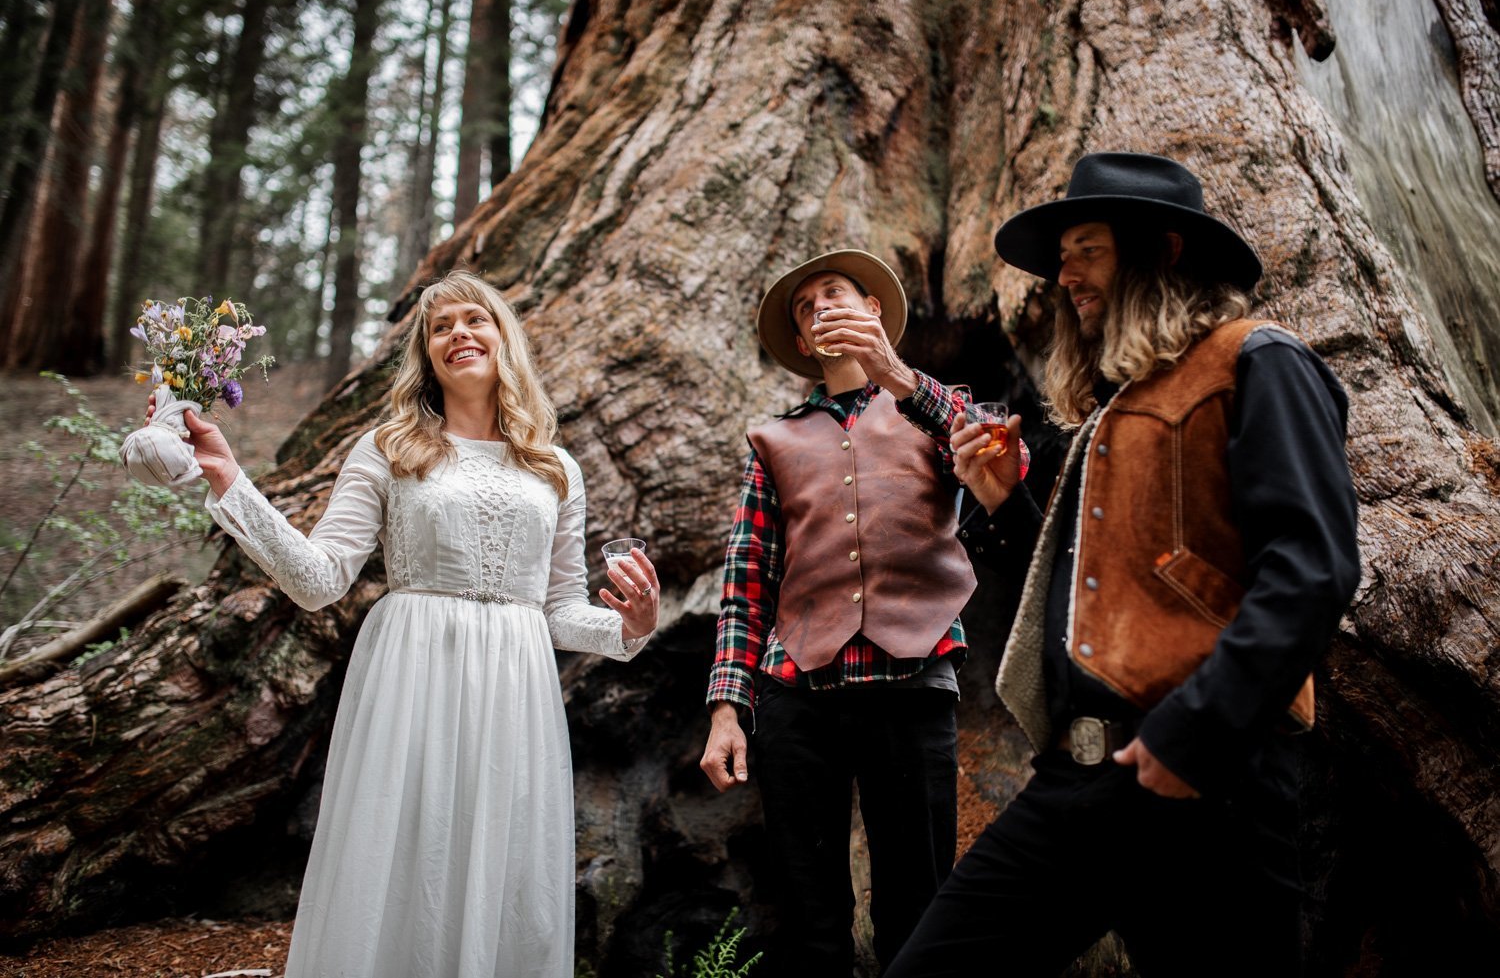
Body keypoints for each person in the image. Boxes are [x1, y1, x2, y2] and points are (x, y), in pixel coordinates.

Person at [884, 152, 1361, 977]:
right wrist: (1004, 502)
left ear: (1164, 252)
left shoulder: (1259, 360)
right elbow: (1098, 596)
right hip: (1077, 783)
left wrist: (1195, 736)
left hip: (1210, 788)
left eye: (1087, 249)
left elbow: (1313, 569)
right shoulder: (1116, 406)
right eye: (1062, 255)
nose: (1062, 275)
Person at [146, 270, 659, 978]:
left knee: (503, 862)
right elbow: (320, 578)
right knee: (405, 849)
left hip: (516, 682)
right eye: (440, 326)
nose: (459, 334)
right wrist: (230, 478)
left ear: (504, 337)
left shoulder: (556, 469)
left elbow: (561, 609)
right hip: (411, 670)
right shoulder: (388, 447)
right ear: (426, 354)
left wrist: (629, 627)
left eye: (475, 319)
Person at [698, 249, 1027, 976]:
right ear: (806, 341)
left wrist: (899, 376)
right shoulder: (773, 440)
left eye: (833, 294)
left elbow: (1010, 461)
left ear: (874, 309)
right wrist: (728, 708)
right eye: (805, 308)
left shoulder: (935, 408)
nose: (819, 310)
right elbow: (746, 577)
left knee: (917, 908)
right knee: (808, 917)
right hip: (797, 698)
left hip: (912, 688)